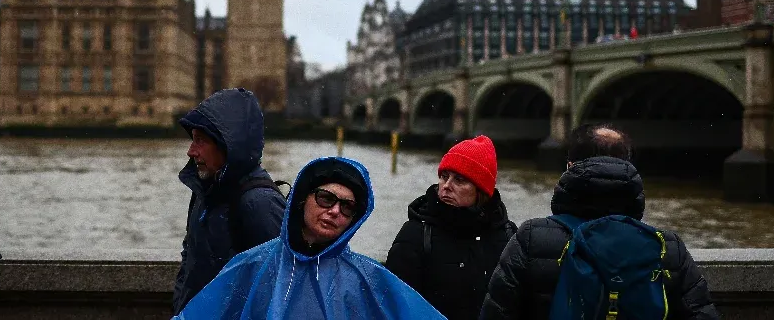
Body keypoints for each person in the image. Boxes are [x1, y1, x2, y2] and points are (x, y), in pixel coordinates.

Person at [480, 124, 718, 320]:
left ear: (570, 167)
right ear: (629, 169)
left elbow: (497, 314)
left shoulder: (532, 238)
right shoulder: (667, 247)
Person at [175, 157, 445, 319]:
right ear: (303, 200)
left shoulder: (369, 278)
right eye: (326, 199)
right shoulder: (251, 265)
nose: (334, 211)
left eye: (347, 207)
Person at [173, 88, 287, 314]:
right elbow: (190, 260)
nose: (191, 151)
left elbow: (280, 292)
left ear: (228, 144)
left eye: (200, 141)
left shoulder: (260, 204)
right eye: (192, 139)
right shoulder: (203, 191)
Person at [385, 135, 517, 320]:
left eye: (459, 180)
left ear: (481, 191)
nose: (446, 186)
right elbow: (393, 305)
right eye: (444, 176)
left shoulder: (509, 236)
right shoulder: (416, 233)